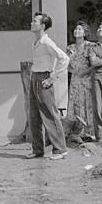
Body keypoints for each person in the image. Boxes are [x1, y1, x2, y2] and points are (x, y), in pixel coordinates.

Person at [26, 12, 69, 160]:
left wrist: (53, 78)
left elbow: (64, 58)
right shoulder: (37, 42)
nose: (32, 23)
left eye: (35, 21)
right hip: (35, 77)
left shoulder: (46, 42)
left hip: (44, 78)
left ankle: (60, 149)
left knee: (50, 115)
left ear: (43, 26)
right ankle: (38, 149)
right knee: (34, 115)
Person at [64, 21, 97, 144]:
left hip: (87, 78)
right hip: (75, 78)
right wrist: (73, 71)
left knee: (86, 103)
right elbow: (66, 64)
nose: (77, 31)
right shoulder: (70, 48)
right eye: (76, 29)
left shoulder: (90, 46)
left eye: (80, 29)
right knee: (75, 104)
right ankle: (76, 132)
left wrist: (85, 72)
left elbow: (94, 64)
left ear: (85, 32)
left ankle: (88, 132)